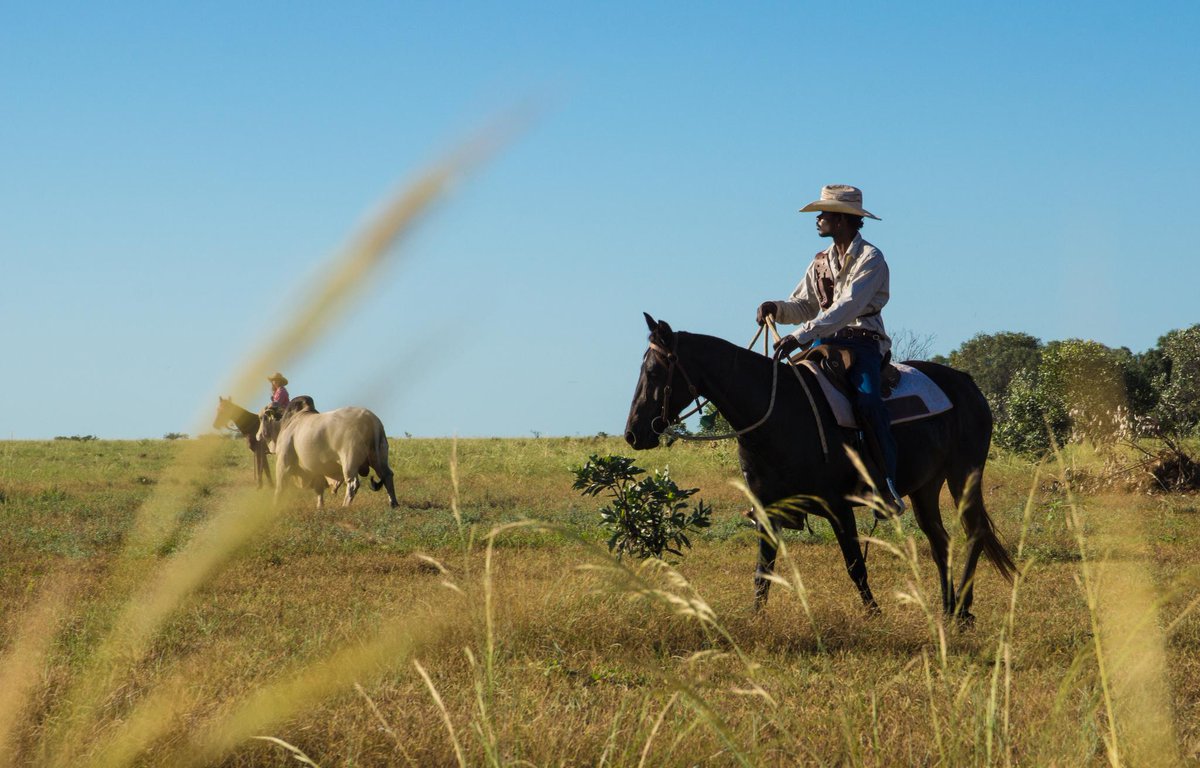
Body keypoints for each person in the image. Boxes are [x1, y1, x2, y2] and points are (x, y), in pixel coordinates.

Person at [755, 184, 904, 512]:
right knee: (789, 399)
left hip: (863, 343)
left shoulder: (871, 259)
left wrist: (801, 335)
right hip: (824, 341)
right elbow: (803, 305)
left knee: (867, 402)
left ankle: (885, 485)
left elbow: (846, 309)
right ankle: (786, 490)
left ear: (842, 220)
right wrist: (776, 309)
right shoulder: (820, 261)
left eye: (824, 214)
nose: (818, 219)